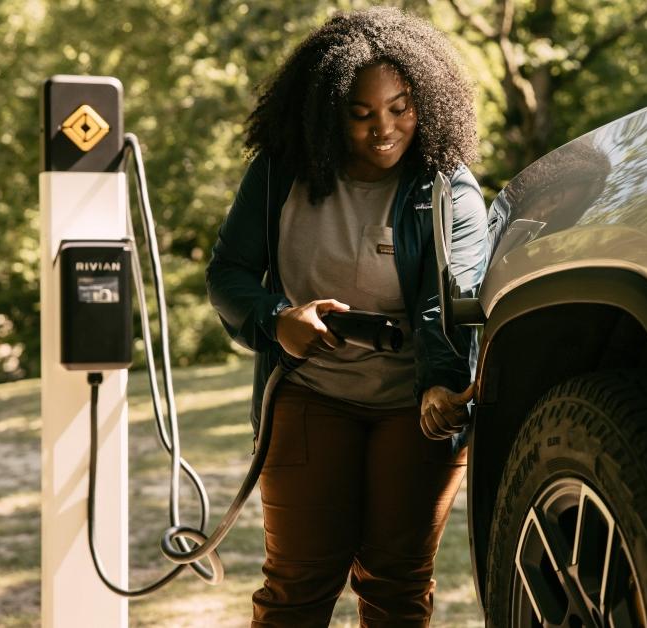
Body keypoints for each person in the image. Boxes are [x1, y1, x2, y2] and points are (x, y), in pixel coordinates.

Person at [204, 8, 489, 627]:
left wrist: (443, 382)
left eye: (400, 107)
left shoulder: (447, 187)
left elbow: (457, 294)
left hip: (417, 407)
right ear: (326, 112)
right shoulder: (281, 172)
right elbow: (227, 274)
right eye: (360, 114)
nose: (384, 129)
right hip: (309, 394)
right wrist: (277, 318)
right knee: (298, 586)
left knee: (397, 586)